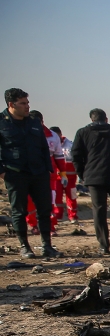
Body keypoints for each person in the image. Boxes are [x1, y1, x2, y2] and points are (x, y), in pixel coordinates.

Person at [0, 88, 61, 258]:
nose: (27, 107)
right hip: (15, 173)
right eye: (23, 103)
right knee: (19, 211)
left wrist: (48, 169)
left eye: (28, 103)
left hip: (39, 173)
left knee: (44, 210)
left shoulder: (34, 122)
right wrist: (2, 173)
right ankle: (24, 246)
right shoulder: (1, 122)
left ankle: (47, 246)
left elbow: (43, 146)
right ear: (11, 105)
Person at [71, 108, 110, 254]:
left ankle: (103, 245)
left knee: (99, 209)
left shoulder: (83, 133)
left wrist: (83, 174)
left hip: (94, 177)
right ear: (106, 119)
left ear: (91, 120)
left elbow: (76, 156)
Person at [27, 111, 65, 234]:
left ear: (42, 122)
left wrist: (63, 173)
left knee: (49, 202)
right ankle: (33, 225)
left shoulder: (52, 136)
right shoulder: (23, 133)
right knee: (29, 202)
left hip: (49, 175)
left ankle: (50, 226)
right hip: (28, 173)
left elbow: (59, 156)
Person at [51, 126, 80, 224]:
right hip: (57, 178)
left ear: (60, 134)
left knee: (72, 197)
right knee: (57, 198)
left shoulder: (70, 145)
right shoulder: (52, 144)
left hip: (71, 178)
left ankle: (73, 216)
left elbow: (76, 160)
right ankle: (58, 216)